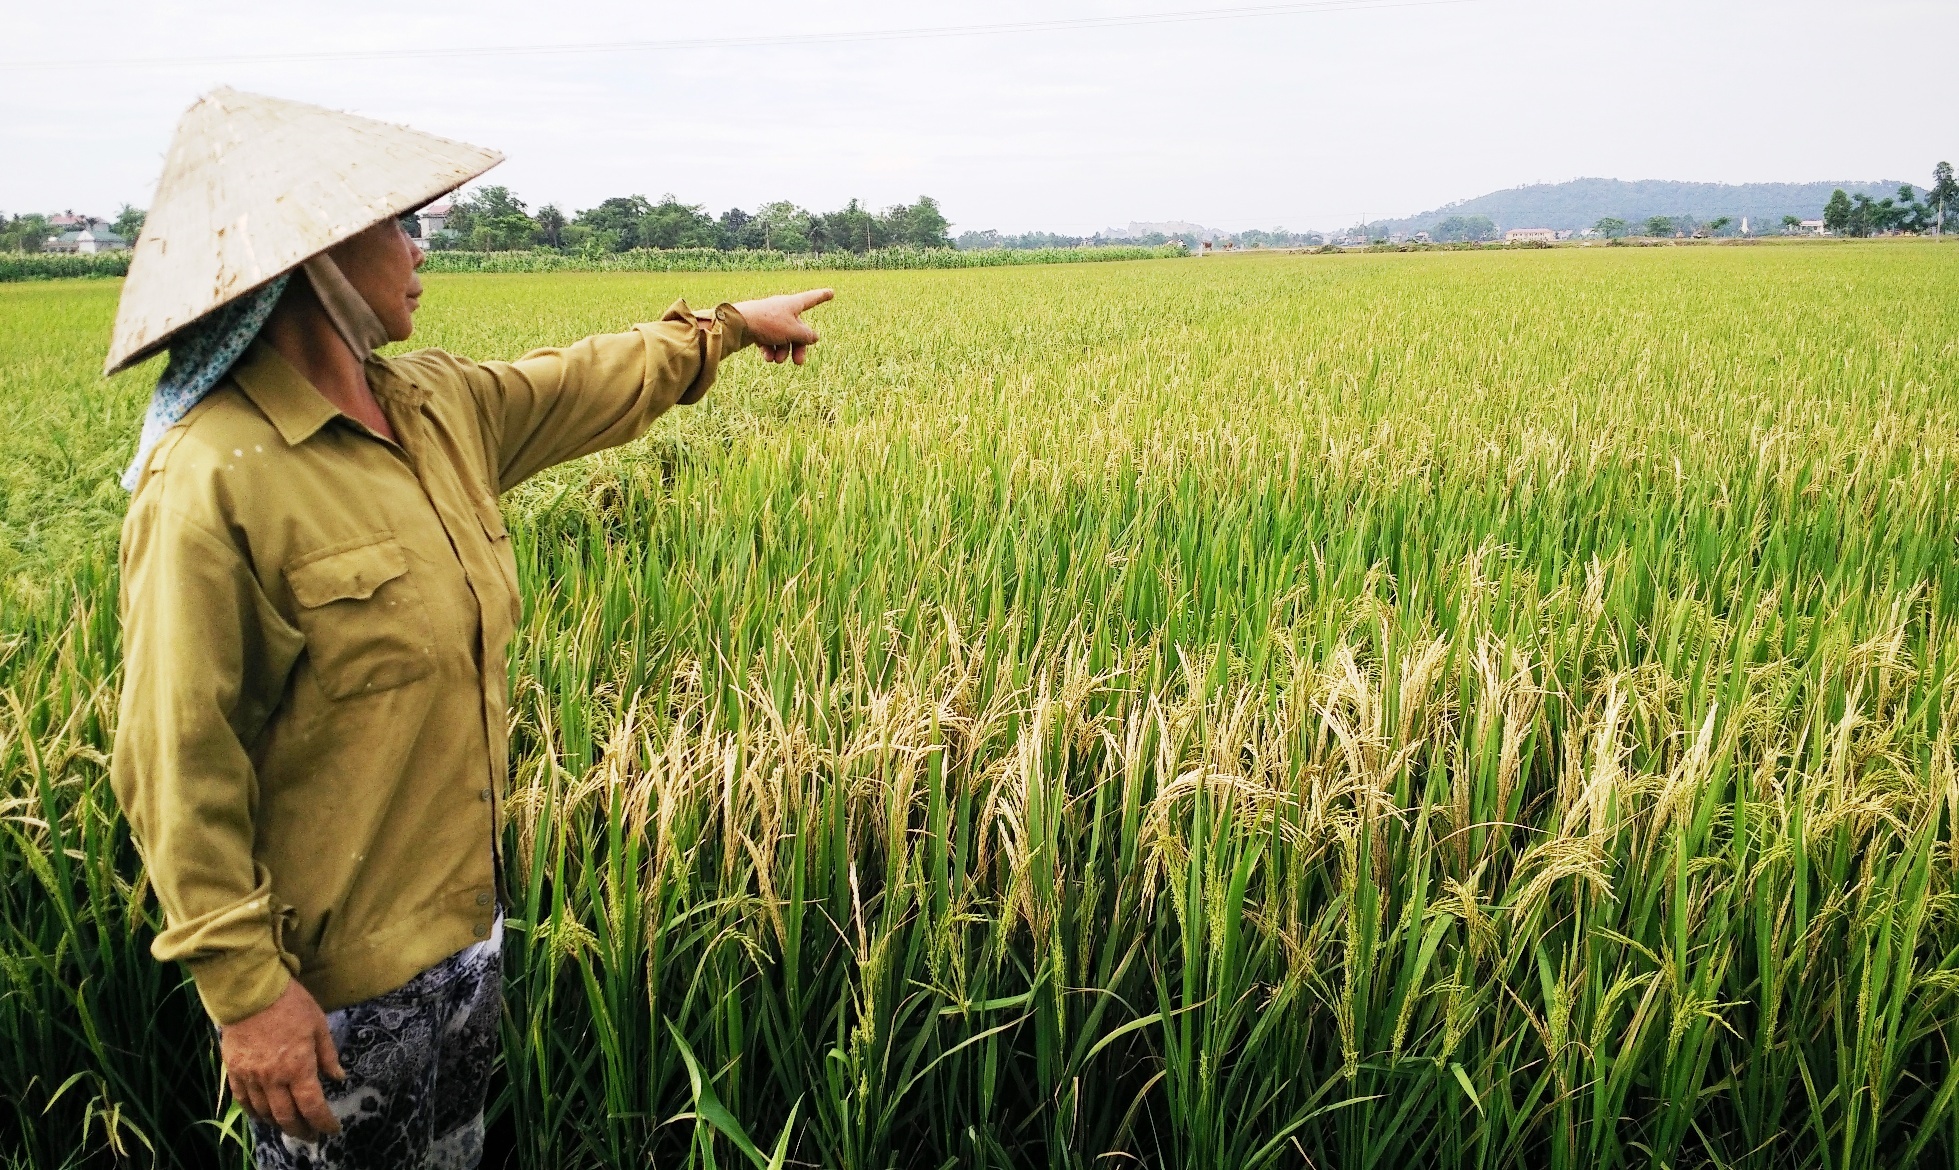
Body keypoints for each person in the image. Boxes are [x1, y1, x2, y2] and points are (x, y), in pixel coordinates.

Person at [104, 88, 832, 1169]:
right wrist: (248, 995)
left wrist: (724, 331)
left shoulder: (434, 409)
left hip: (468, 942)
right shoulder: (214, 478)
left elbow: (582, 379)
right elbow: (174, 763)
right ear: (320, 257)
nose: (419, 247)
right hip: (328, 998)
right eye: (403, 225)